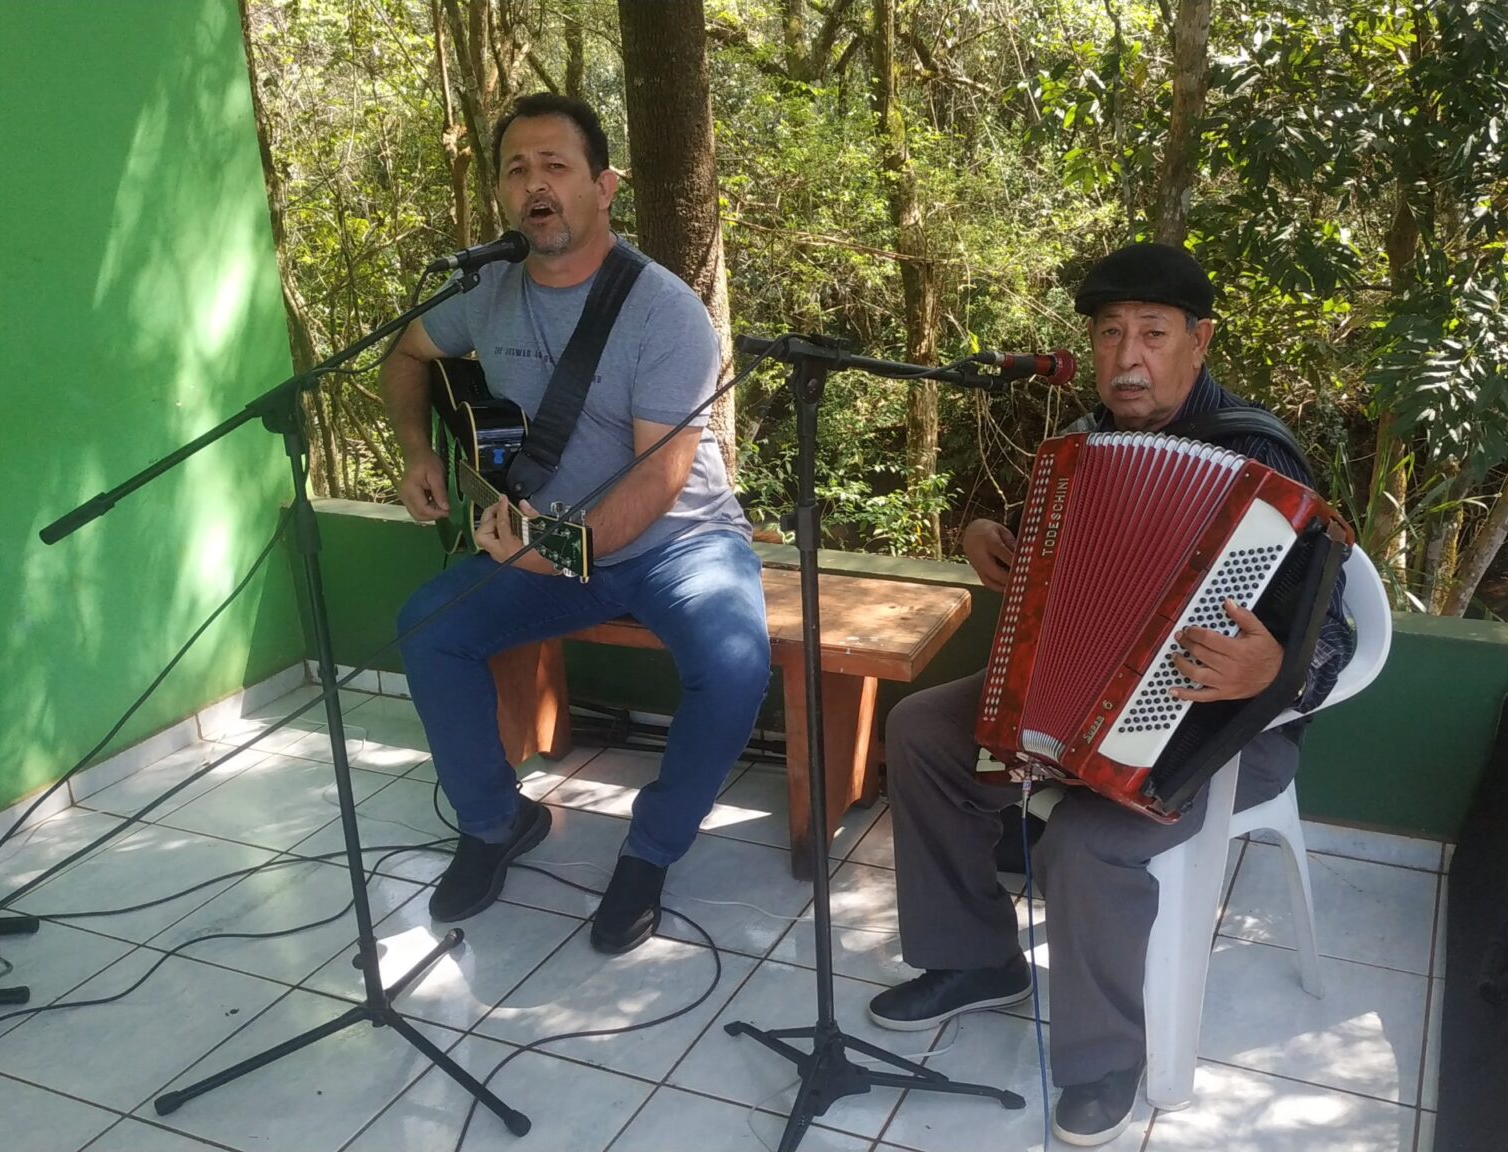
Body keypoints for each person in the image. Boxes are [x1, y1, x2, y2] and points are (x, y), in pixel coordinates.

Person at [865, 243, 1355, 1146]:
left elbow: (1333, 635)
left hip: (1229, 727)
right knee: (925, 728)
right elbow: (1049, 558)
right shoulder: (1085, 445)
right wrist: (983, 533)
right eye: (1110, 334)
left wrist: (1272, 670)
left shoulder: (1261, 459)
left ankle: (1102, 1061)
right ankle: (975, 961)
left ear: (1198, 343)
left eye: (1153, 335)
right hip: (1079, 697)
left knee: (1088, 842)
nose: (1128, 356)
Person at [377, 94, 770, 953]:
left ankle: (652, 849)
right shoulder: (483, 290)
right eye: (517, 169)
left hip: (678, 543)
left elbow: (657, 484)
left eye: (556, 165)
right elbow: (405, 354)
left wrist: (550, 554)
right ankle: (492, 824)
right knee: (429, 628)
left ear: (604, 186)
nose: (535, 185)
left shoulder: (665, 312)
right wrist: (418, 451)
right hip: (547, 538)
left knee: (735, 665)